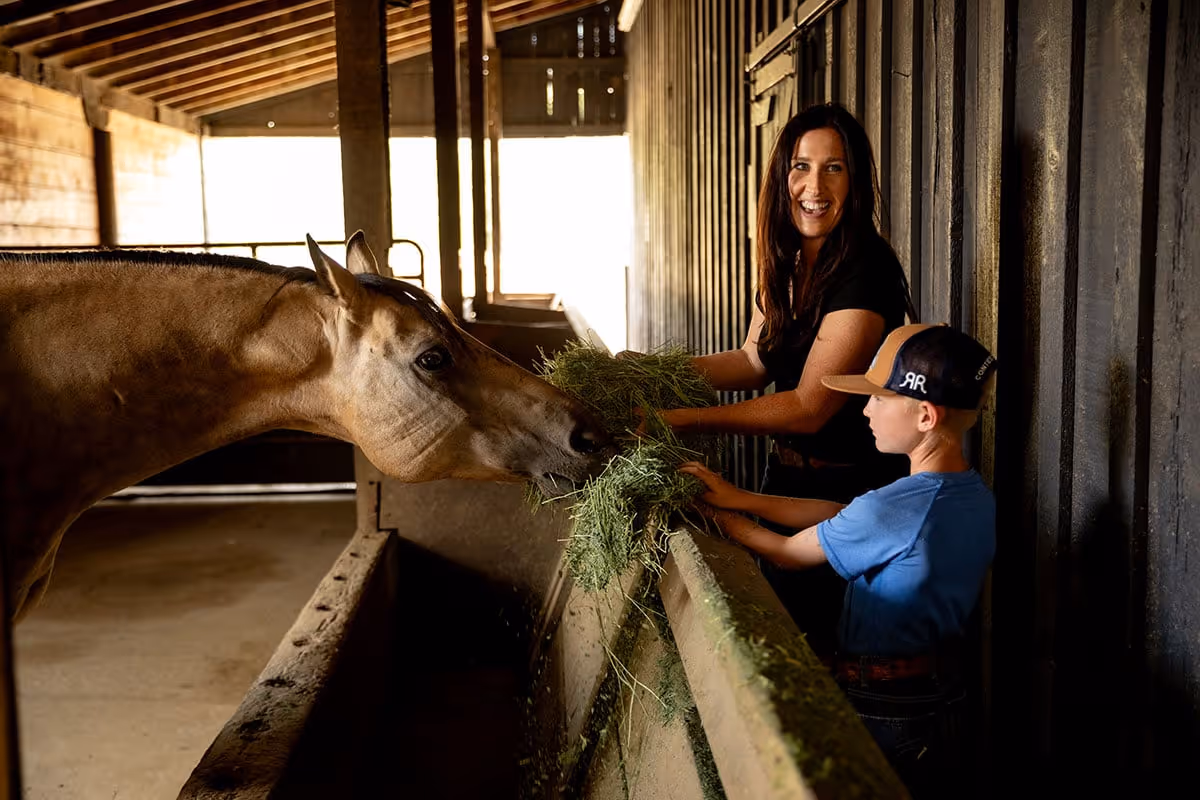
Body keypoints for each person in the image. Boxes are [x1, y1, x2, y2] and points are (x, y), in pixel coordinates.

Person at [632, 103, 917, 657]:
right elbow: (752, 361)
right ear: (782, 176)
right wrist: (652, 372)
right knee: (786, 631)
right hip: (785, 479)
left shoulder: (866, 269)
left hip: (848, 493)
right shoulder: (786, 263)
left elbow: (812, 405)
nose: (813, 185)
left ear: (854, 181)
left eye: (833, 168)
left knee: (826, 649)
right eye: (800, 166)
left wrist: (677, 420)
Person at [680, 323, 997, 798]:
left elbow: (787, 554)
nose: (865, 409)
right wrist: (741, 496)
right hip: (944, 698)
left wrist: (708, 512)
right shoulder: (969, 494)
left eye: (879, 399)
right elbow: (842, 516)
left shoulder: (893, 509)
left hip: (885, 709)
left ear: (926, 416)